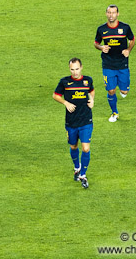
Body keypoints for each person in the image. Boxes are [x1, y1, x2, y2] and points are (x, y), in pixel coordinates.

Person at [52, 58, 95, 189]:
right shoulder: (64, 82)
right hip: (71, 121)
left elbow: (91, 91)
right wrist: (65, 103)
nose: (75, 72)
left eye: (77, 69)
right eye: (72, 69)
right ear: (69, 69)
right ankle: (77, 167)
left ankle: (83, 175)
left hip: (86, 120)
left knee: (86, 148)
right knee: (73, 146)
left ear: (81, 67)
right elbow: (55, 95)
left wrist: (92, 100)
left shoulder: (87, 80)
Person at [94, 5, 135, 122]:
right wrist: (101, 47)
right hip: (108, 64)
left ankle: (121, 85)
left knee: (124, 91)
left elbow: (132, 39)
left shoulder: (125, 28)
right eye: (109, 12)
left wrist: (128, 50)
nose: (111, 15)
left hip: (122, 64)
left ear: (118, 14)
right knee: (111, 91)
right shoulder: (101, 29)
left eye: (113, 12)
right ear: (106, 14)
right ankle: (114, 113)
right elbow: (96, 43)